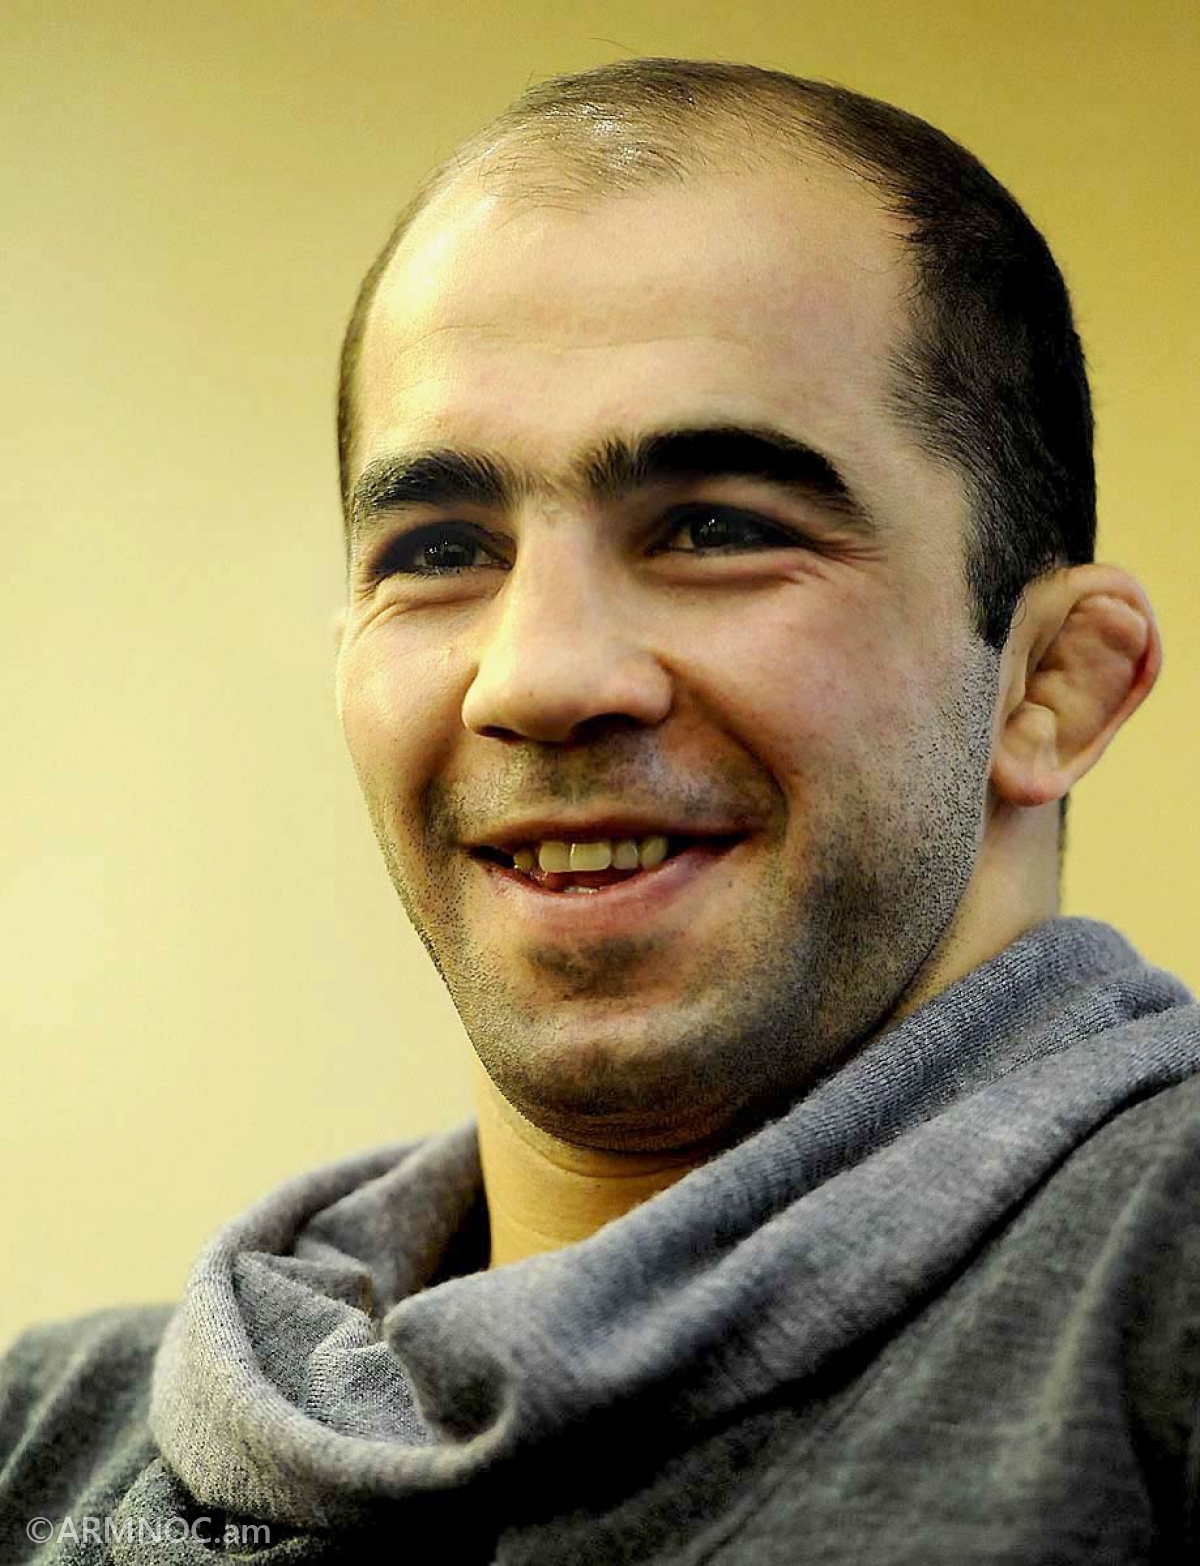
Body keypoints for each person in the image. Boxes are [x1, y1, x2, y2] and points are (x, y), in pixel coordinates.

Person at [3, 56, 1198, 1565]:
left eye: (716, 528)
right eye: (439, 549)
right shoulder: (45, 1434)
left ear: (1053, 686)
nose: (538, 676)